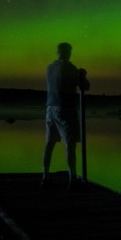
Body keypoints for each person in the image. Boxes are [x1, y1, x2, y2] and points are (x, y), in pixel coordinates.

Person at [41, 42, 90, 188]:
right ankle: (72, 177)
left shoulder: (49, 68)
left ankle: (45, 175)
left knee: (49, 143)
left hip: (50, 108)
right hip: (66, 108)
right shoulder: (70, 68)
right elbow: (85, 87)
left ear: (57, 53)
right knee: (70, 143)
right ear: (68, 53)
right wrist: (82, 74)